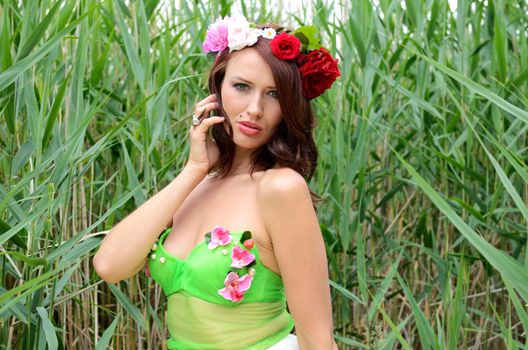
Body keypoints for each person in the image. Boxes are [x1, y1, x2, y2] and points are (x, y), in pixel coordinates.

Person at [93, 14, 340, 350]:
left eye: (273, 94)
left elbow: (316, 335)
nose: (254, 109)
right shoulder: (199, 183)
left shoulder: (281, 188)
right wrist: (193, 170)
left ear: (289, 107)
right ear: (217, 90)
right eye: (242, 87)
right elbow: (109, 266)